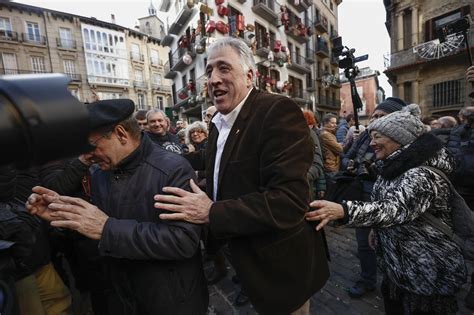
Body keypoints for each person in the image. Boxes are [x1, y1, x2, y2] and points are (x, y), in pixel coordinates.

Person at [153, 37, 329, 314]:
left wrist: (211, 212)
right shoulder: (218, 122)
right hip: (249, 262)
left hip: (283, 268)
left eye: (224, 68)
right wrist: (153, 158)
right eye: (209, 71)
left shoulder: (277, 112)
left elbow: (288, 202)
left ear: (249, 76)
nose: (213, 79)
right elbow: (208, 161)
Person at [27, 99, 208, 315]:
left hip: (170, 300)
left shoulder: (172, 169)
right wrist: (65, 214)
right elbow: (100, 224)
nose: (87, 156)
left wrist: (106, 229)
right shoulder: (101, 173)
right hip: (123, 297)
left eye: (91, 146)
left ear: (121, 134)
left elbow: (183, 241)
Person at [307, 104, 467, 314]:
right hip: (401, 269)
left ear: (399, 138)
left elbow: (394, 208)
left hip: (425, 273)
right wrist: (377, 229)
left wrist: (344, 211)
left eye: (377, 137)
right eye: (371, 137)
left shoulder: (421, 174)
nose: (371, 143)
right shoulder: (393, 166)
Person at [340, 96, 407, 299]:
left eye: (381, 116)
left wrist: (371, 168)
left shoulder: (404, 141)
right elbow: (347, 157)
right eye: (374, 115)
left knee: (393, 246)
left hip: (391, 201)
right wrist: (350, 166)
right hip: (363, 197)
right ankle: (368, 280)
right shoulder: (365, 136)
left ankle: (397, 283)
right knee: (364, 244)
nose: (375, 119)